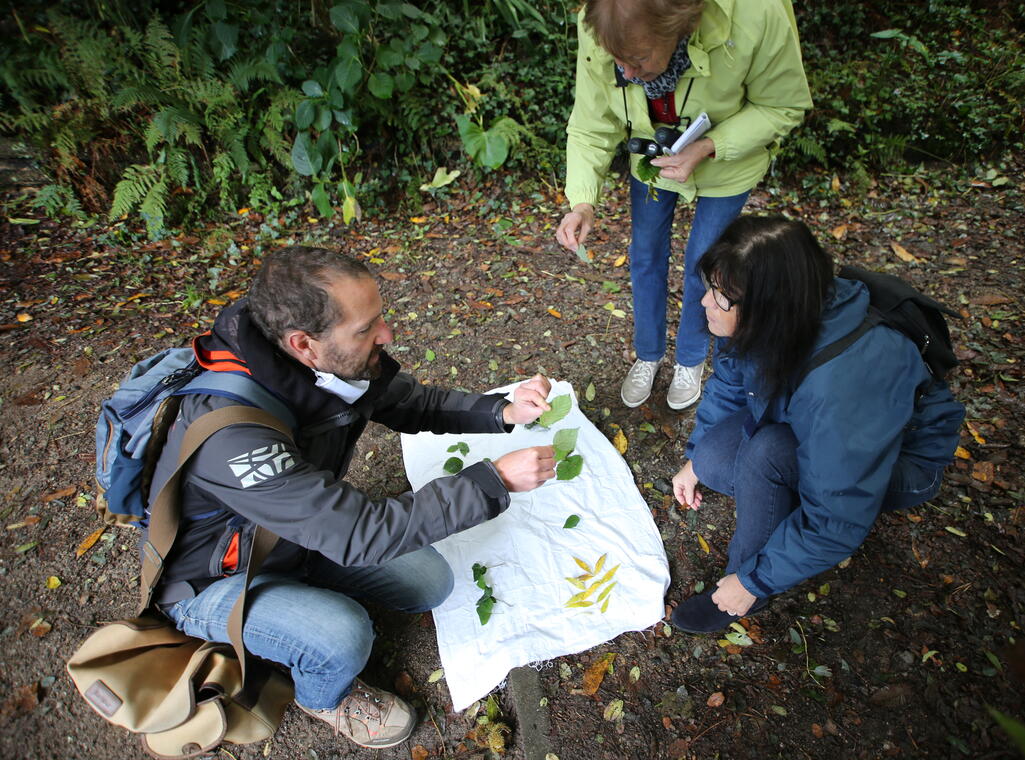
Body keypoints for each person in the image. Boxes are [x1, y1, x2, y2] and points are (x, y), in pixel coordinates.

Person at [145, 246, 557, 749]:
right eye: (367, 328)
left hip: (292, 535)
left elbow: (410, 402)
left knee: (430, 582)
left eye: (380, 317)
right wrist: (493, 481)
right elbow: (359, 533)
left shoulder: (331, 364)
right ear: (304, 344)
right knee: (344, 636)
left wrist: (503, 412)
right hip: (217, 576)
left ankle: (305, 602)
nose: (386, 335)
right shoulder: (232, 435)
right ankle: (323, 696)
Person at [668, 216, 966, 633]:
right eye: (710, 289)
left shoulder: (842, 385)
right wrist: (695, 456)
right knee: (714, 462)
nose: (704, 303)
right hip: (813, 421)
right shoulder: (776, 311)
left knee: (766, 453)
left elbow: (837, 518)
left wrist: (752, 582)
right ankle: (786, 504)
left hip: (900, 461)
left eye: (719, 297)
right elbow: (731, 382)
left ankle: (743, 594)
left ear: (768, 307)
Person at [556, 0, 812, 410]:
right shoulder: (601, 22)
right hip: (652, 165)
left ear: (679, 25)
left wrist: (712, 145)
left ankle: (690, 359)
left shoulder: (755, 13)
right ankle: (649, 354)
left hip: (726, 167)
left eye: (638, 59)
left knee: (706, 267)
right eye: (618, 60)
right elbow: (591, 123)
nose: (626, 73)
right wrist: (583, 202)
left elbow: (782, 104)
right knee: (644, 256)